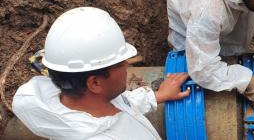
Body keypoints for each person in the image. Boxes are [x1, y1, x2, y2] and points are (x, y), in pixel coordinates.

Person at [12, 7, 190, 140]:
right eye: (120, 64)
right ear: (95, 83)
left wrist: (157, 96)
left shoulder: (71, 102)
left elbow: (123, 104)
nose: (127, 65)